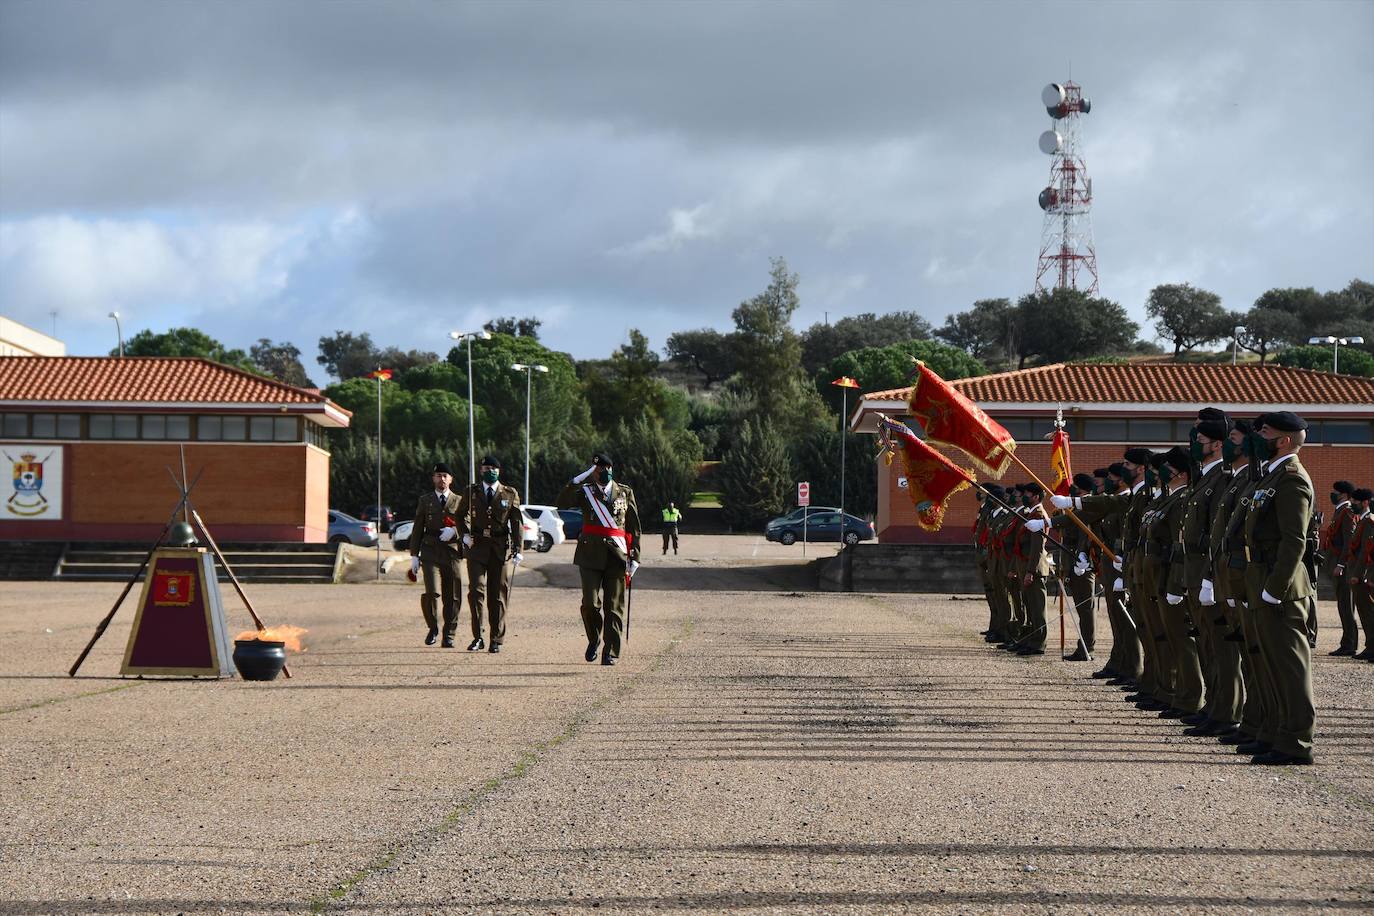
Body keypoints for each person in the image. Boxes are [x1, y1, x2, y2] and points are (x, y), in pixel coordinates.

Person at [1241, 411, 1316, 765]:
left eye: (1265, 432)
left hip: (1280, 586)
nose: (1258, 437)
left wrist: (1275, 588)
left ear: (1284, 440)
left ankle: (1296, 742)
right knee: (1269, 663)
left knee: (1289, 666)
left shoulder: (1291, 479)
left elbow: (1294, 541)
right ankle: (1275, 733)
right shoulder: (1270, 475)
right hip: (1261, 578)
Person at [557, 453, 642, 666]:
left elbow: (633, 526)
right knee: (590, 604)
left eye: (605, 468)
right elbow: (561, 502)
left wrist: (635, 556)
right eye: (597, 469)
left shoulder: (624, 492)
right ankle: (594, 638)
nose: (602, 472)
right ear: (592, 472)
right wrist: (577, 480)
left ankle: (610, 651)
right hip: (589, 555)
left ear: (611, 469)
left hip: (617, 555)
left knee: (613, 606)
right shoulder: (585, 492)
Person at [457, 456, 524, 653]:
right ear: (480, 471)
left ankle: (496, 638)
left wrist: (518, 549)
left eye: (493, 468)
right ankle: (478, 637)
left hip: (499, 548)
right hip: (477, 547)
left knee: (497, 595)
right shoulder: (471, 492)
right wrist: (464, 534)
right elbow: (459, 515)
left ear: (499, 471)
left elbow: (516, 522)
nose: (490, 471)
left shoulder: (510, 493)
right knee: (476, 591)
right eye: (486, 468)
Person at [409, 462, 464, 647]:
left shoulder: (459, 501)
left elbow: (468, 524)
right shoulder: (425, 500)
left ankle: (449, 634)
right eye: (438, 475)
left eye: (445, 476)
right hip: (430, 550)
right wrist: (414, 555)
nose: (442, 479)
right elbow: (418, 528)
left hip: (451, 551)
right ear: (433, 479)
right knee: (431, 592)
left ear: (451, 479)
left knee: (453, 594)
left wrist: (454, 531)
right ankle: (433, 627)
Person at [1322, 481, 1357, 656]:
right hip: (1335, 562)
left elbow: (1349, 542)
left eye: (1335, 492)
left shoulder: (1347, 512)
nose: (1332, 494)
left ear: (1343, 495)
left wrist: (1341, 564)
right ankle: (1347, 642)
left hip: (1343, 566)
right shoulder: (1339, 511)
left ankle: (1349, 644)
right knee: (1342, 605)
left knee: (1346, 605)